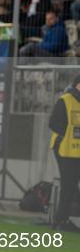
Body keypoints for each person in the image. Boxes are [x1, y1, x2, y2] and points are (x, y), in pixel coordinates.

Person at [49, 76, 80, 232]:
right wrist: (66, 134)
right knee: (68, 183)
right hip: (63, 148)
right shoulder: (65, 99)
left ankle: (65, 219)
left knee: (73, 184)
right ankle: (61, 220)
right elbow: (53, 122)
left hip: (77, 150)